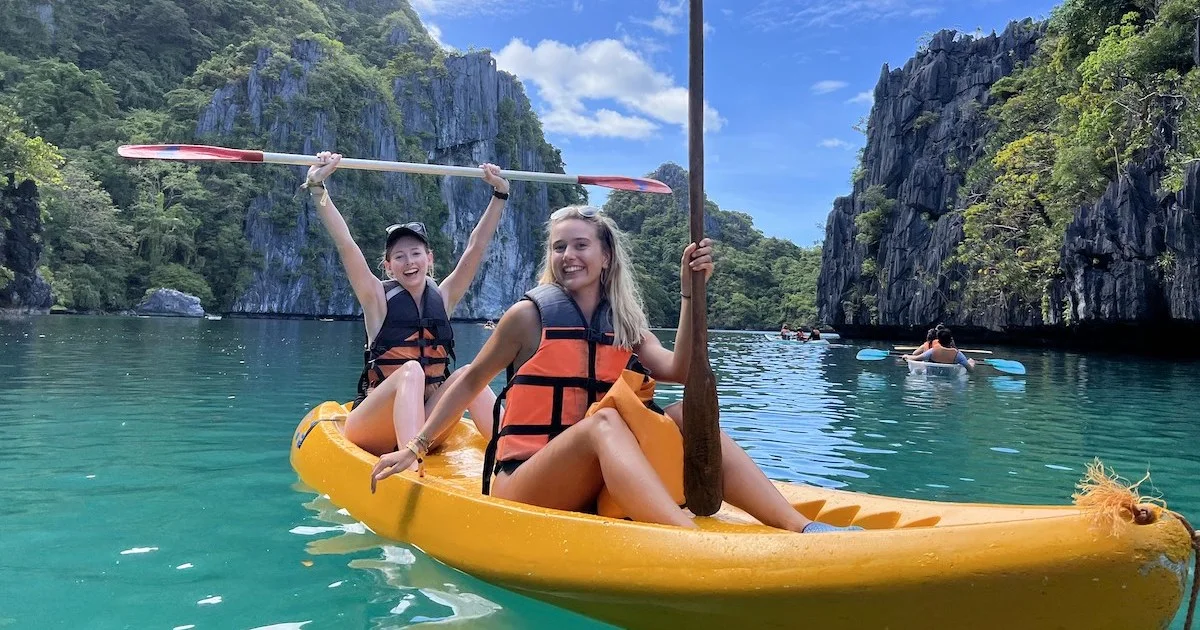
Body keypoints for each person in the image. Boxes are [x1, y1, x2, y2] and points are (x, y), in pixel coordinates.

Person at [371, 205, 862, 533]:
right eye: (559, 247)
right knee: (603, 421)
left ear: (606, 256)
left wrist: (693, 292)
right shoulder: (528, 317)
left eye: (581, 245)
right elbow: (471, 381)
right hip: (526, 481)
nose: (568, 256)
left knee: (682, 413)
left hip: (599, 484)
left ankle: (802, 528)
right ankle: (687, 539)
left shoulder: (624, 321)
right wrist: (414, 447)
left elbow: (680, 370)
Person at [303, 151, 508, 456]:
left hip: (427, 427)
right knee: (411, 371)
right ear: (388, 267)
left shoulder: (444, 296)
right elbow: (346, 244)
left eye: (415, 253)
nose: (409, 262)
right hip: (374, 429)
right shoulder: (376, 299)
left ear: (429, 258)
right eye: (399, 256)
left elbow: (476, 247)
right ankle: (410, 470)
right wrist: (318, 188)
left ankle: (516, 452)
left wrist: (499, 193)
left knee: (467, 373)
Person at [904, 327, 975, 371]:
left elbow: (915, 358)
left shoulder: (932, 351)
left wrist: (906, 356)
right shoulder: (958, 355)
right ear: (951, 340)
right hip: (949, 382)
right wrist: (972, 362)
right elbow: (971, 370)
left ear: (938, 341)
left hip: (932, 381)